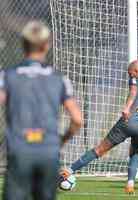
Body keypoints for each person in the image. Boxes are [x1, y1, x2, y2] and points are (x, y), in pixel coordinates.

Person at [0, 21, 82, 200]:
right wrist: (62, 140)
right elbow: (77, 119)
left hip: (20, 150)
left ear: (23, 44)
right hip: (48, 151)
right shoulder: (60, 79)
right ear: (47, 45)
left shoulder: (7, 76)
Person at [59, 60, 138, 194]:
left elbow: (133, 91)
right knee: (135, 152)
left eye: (130, 74)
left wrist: (126, 107)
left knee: (99, 150)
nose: (129, 76)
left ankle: (69, 171)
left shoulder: (135, 80)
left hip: (128, 121)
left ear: (136, 72)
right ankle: (130, 184)